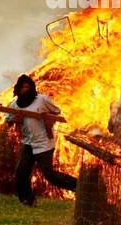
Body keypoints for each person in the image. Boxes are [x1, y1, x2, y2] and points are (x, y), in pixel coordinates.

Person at [4, 74, 77, 206]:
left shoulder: (42, 100)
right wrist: (14, 120)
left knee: (49, 174)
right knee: (21, 173)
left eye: (27, 86)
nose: (25, 90)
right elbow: (8, 119)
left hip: (44, 143)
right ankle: (27, 199)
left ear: (32, 87)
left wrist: (48, 119)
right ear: (18, 89)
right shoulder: (15, 104)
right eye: (23, 87)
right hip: (28, 142)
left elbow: (57, 112)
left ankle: (76, 185)